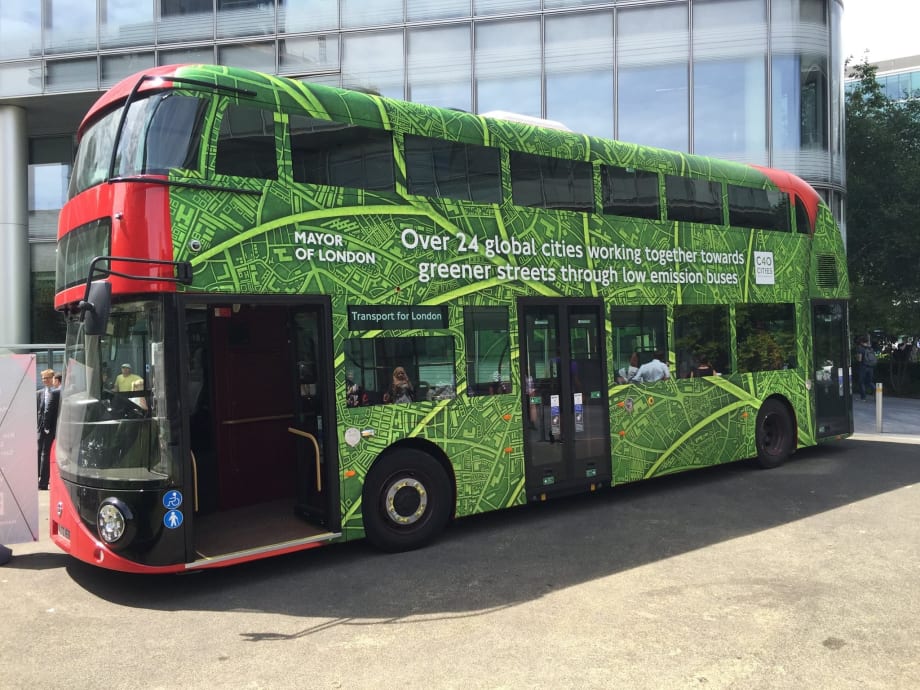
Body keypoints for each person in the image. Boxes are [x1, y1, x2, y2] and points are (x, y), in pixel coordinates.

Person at [37, 368, 60, 490]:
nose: (44, 380)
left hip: (52, 428)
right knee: (38, 452)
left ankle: (44, 482)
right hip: (40, 428)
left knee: (46, 455)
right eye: (43, 378)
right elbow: (38, 411)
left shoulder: (57, 392)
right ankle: (37, 478)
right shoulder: (39, 393)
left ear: (52, 379)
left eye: (47, 378)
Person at [855, 337, 876, 401]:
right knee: (869, 382)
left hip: (863, 367)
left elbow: (859, 359)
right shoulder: (870, 348)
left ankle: (863, 397)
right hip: (871, 367)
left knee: (861, 382)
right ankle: (878, 394)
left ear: (861, 342)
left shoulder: (860, 348)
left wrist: (856, 357)